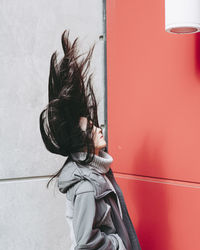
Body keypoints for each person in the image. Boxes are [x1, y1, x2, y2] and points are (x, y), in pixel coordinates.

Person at [39, 30, 141, 250]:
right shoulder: (87, 185)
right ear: (79, 141)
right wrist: (118, 243)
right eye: (90, 129)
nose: (97, 129)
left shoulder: (97, 172)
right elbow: (86, 243)